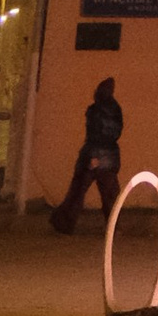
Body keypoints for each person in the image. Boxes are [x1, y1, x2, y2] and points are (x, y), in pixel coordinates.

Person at [50, 76, 125, 231]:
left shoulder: (94, 110)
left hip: (92, 155)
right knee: (110, 196)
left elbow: (95, 134)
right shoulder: (116, 109)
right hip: (110, 158)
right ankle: (114, 228)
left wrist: (94, 157)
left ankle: (64, 224)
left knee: (77, 191)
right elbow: (115, 133)